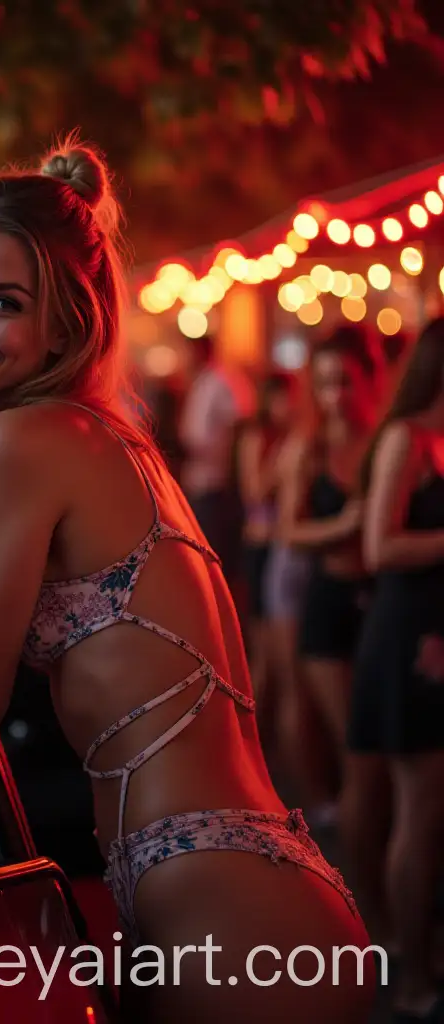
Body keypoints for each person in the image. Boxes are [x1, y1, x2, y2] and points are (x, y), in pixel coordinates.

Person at [0, 138, 371, 1022]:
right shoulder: (101, 435)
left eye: (3, 302)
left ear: (67, 324)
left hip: (223, 900)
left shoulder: (23, 442)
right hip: (249, 878)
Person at [278, 325, 390, 937]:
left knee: (388, 759)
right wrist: (346, 525)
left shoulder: (385, 444)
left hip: (382, 606)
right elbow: (290, 531)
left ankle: (386, 895)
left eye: (345, 381)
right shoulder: (310, 449)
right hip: (328, 608)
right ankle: (361, 906)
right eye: (324, 384)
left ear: (371, 379)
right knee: (358, 754)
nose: (335, 396)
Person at [350, 318, 444, 1022]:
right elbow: (379, 546)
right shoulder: (406, 439)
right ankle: (409, 975)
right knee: (419, 808)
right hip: (409, 634)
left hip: (434, 630)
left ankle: (420, 955)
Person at [234, 370, 298, 744]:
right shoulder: (257, 436)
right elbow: (255, 491)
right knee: (262, 652)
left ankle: (263, 734)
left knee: (280, 655)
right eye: (282, 398)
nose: (288, 406)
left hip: (281, 547)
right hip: (259, 546)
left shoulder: (293, 436)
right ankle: (249, 736)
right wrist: (282, 463)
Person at [178, 332, 255, 610]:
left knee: (215, 560)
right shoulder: (201, 381)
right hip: (200, 480)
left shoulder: (223, 381)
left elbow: (239, 427)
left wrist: (232, 472)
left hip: (217, 484)